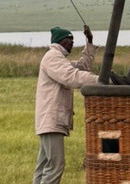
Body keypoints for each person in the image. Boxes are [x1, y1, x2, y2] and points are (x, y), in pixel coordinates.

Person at [34, 25, 99, 184]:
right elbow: (71, 77)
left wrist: (89, 42)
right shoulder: (52, 57)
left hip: (50, 121)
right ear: (61, 42)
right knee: (55, 165)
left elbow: (82, 67)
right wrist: (101, 80)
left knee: (44, 165)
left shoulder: (59, 59)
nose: (72, 44)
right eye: (69, 41)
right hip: (51, 120)